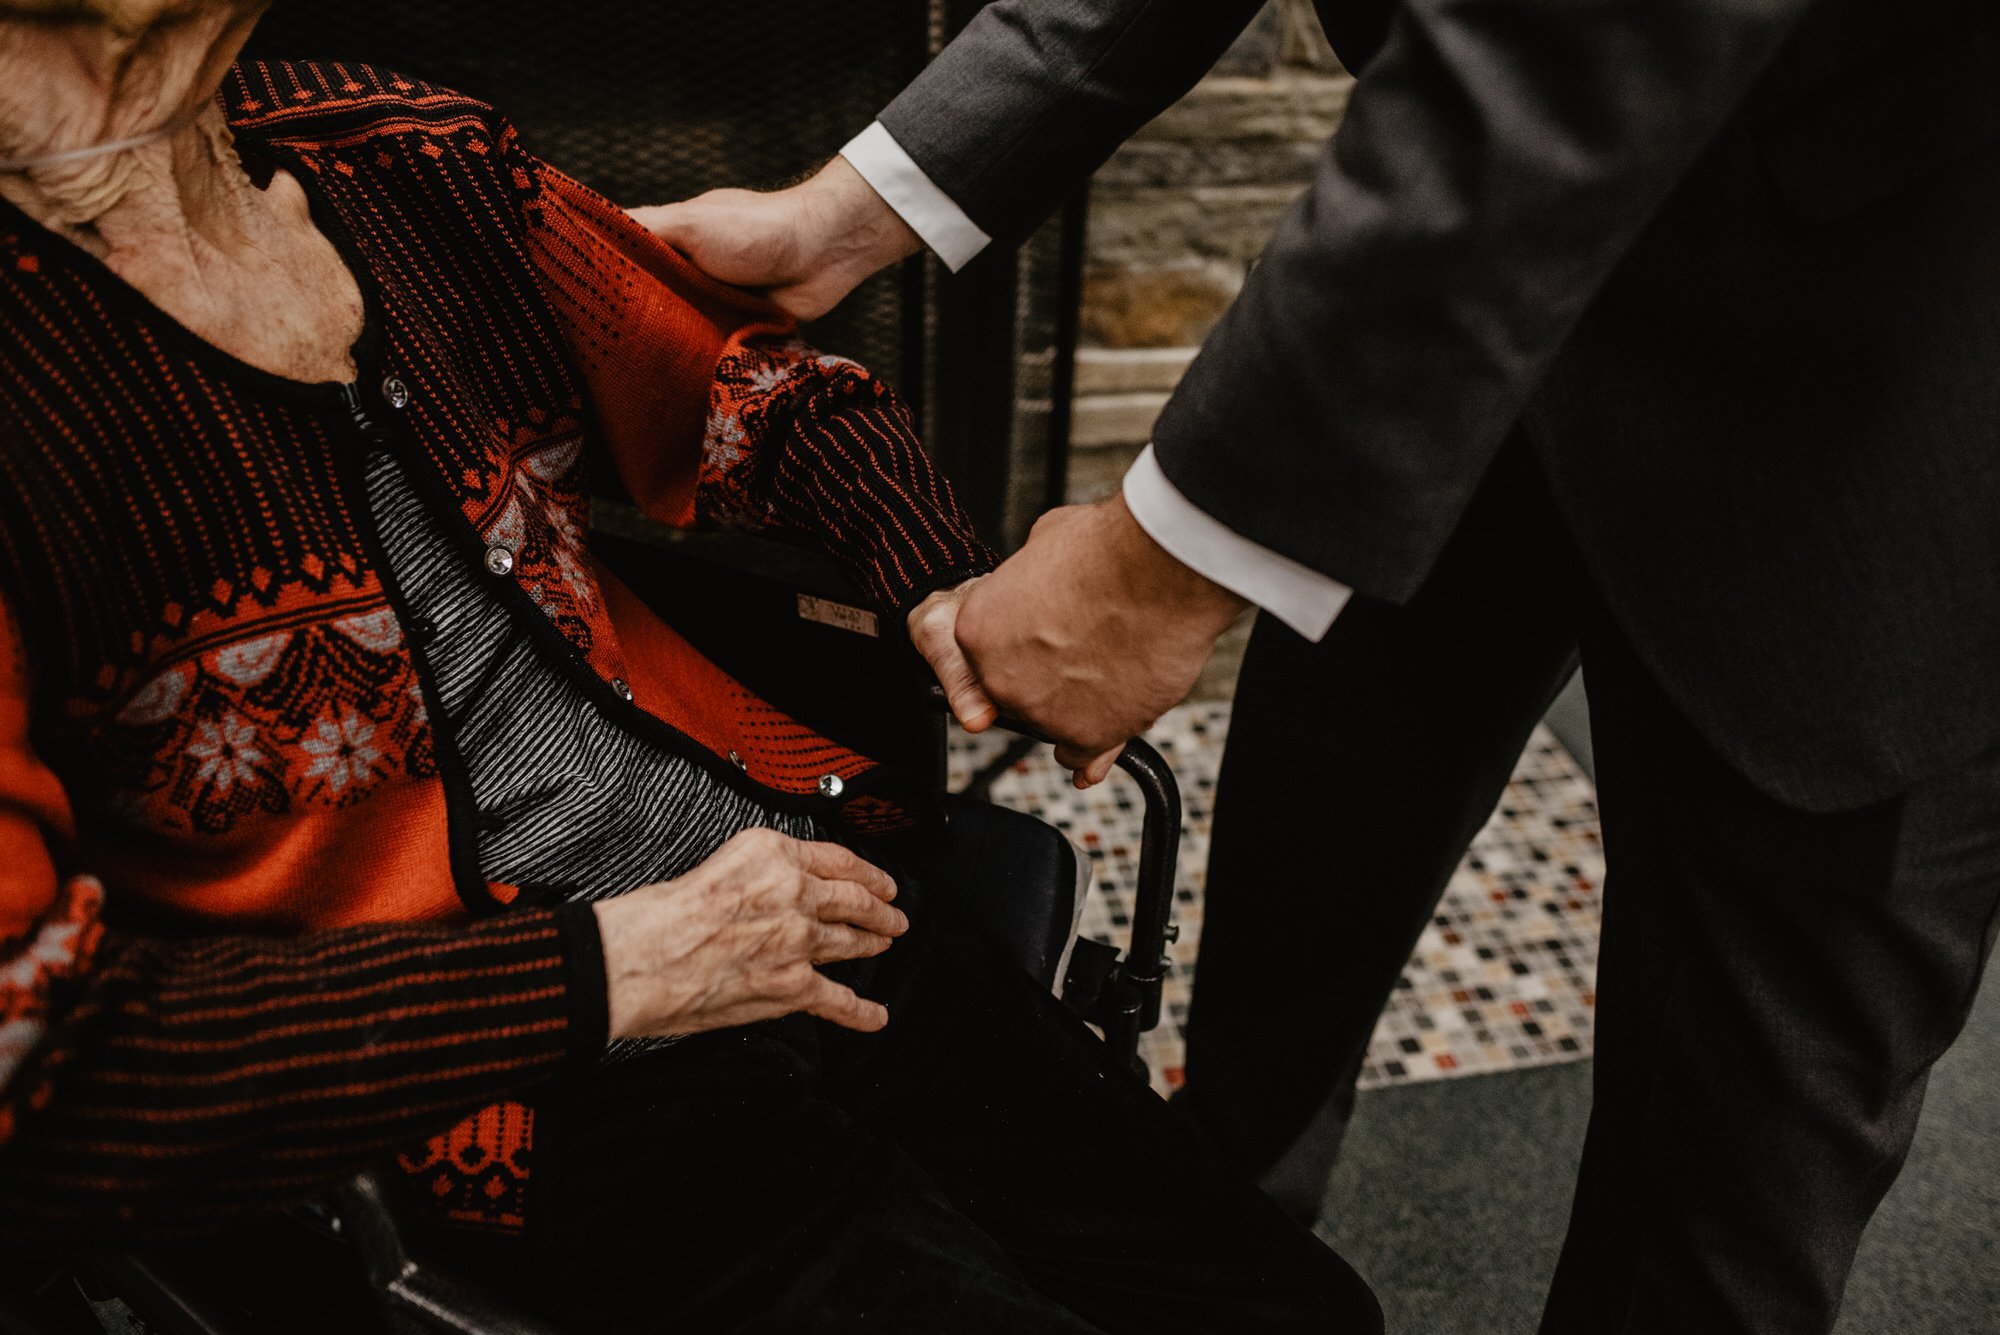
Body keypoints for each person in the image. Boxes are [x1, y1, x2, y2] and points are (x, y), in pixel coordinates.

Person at [0, 3, 1384, 1330]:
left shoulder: (390, 144)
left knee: (1296, 1312)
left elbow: (751, 393)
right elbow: (36, 1074)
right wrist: (607, 969)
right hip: (497, 1090)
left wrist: (957, 592)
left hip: (798, 878)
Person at [642, 0, 2000, 1329]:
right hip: (1418, 339)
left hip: (1873, 380)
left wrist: (1152, 568)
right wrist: (859, 203)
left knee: (1722, 1201)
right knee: (1308, 863)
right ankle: (1223, 1254)